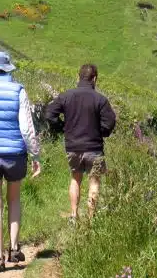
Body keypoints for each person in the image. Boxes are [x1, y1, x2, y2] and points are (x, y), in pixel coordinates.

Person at [0, 51, 41, 273]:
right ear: (8, 69)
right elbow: (26, 127)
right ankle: (14, 249)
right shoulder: (18, 90)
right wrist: (35, 154)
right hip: (14, 153)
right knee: (13, 200)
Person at [45, 63, 116, 221]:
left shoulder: (66, 96)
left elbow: (50, 114)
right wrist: (101, 132)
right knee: (94, 182)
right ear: (95, 79)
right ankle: (91, 219)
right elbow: (110, 121)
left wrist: (61, 127)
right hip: (94, 147)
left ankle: (73, 215)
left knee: (75, 179)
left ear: (78, 77)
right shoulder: (100, 99)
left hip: (73, 146)